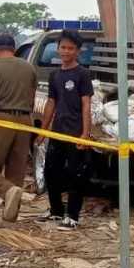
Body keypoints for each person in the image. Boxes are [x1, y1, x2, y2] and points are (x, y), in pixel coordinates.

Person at [0, 33, 38, 221]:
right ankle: (10, 216)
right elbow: (32, 98)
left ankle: (8, 190)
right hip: (26, 120)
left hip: (2, 119)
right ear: (13, 48)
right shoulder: (29, 68)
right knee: (16, 169)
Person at [38, 30, 94, 229]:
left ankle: (72, 216)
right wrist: (43, 131)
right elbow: (51, 103)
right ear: (58, 48)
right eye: (63, 47)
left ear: (78, 51)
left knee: (75, 175)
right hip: (57, 131)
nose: (66, 51)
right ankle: (55, 211)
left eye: (71, 48)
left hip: (76, 132)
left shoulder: (83, 74)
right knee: (51, 172)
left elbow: (86, 105)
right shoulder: (55, 75)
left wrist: (85, 134)